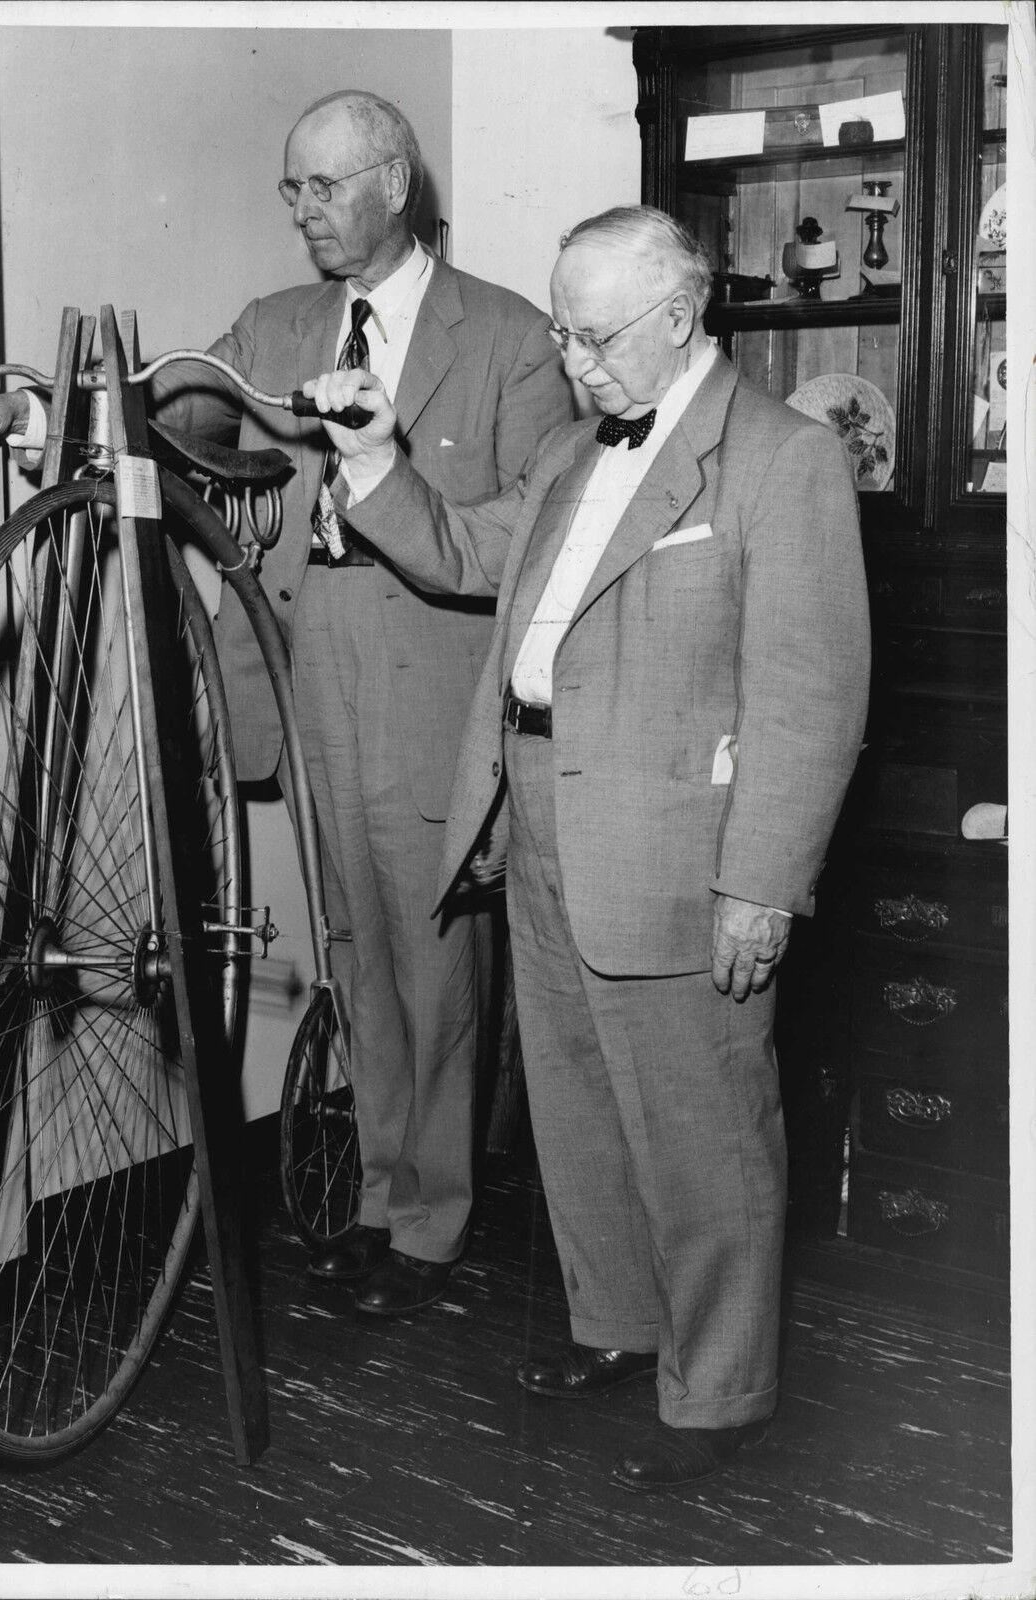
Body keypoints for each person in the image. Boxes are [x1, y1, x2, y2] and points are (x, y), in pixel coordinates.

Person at [0, 89, 572, 1318]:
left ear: (393, 183)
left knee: (435, 954)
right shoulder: (275, 327)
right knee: (356, 941)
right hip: (303, 648)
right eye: (291, 189)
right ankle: (382, 1195)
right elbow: (162, 409)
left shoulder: (510, 338)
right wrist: (27, 412)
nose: (301, 210)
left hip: (435, 657)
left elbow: (523, 535)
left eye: (321, 187)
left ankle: (429, 1223)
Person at [305, 204, 870, 1487]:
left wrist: (761, 887)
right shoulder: (570, 452)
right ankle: (618, 1324)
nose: (575, 363)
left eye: (598, 336)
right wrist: (378, 451)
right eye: (561, 333)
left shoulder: (780, 460)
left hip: (681, 846)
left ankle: (722, 1386)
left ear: (680, 317)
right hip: (540, 811)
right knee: (574, 1105)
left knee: (701, 1127)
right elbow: (456, 552)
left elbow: (810, 695)